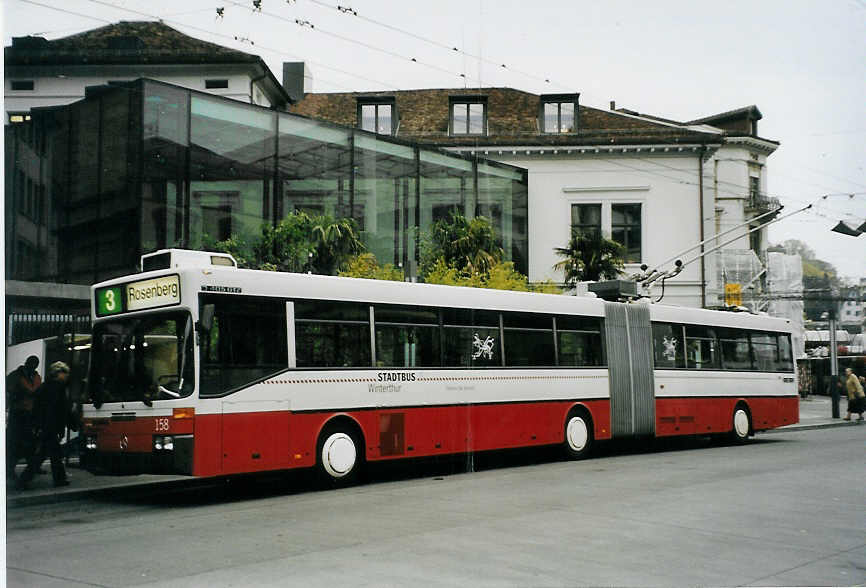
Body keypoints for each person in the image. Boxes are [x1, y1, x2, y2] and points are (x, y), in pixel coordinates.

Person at [15, 361, 73, 490]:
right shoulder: (56, 388)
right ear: (58, 373)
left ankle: (57, 479)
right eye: (65, 373)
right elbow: (58, 409)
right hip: (49, 426)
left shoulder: (46, 386)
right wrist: (63, 426)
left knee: (48, 454)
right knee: (46, 455)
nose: (67, 376)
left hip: (45, 426)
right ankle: (26, 479)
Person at [6, 355, 42, 482]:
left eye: (35, 364)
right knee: (15, 443)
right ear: (27, 363)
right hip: (18, 413)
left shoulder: (36, 376)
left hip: (30, 413)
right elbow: (9, 390)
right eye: (32, 363)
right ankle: (9, 469)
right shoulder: (16, 375)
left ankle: (32, 467)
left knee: (30, 442)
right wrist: (21, 394)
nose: (33, 366)